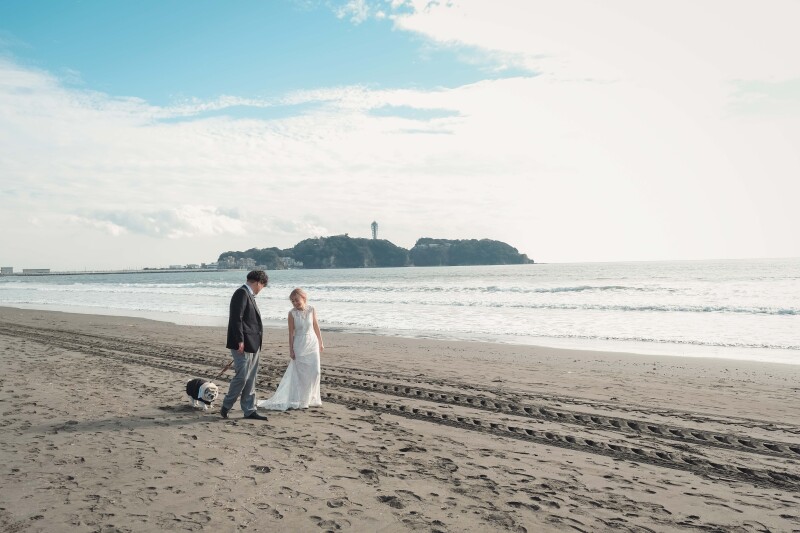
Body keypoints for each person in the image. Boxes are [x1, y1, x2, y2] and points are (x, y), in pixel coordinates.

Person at [258, 288, 324, 411]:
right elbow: (291, 333)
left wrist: (321, 342)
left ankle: (312, 398)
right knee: (300, 374)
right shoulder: (291, 313)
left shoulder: (311, 309)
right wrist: (291, 350)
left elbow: (316, 326)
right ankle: (302, 400)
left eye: (296, 300)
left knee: (315, 372)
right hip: (299, 344)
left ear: (303, 298)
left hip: (312, 343)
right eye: (292, 301)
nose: (295, 303)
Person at [220, 270, 269, 420]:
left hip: (253, 342)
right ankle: (226, 405)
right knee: (242, 376)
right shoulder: (241, 293)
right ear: (258, 283)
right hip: (243, 343)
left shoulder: (248, 295)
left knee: (251, 378)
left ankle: (249, 410)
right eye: (262, 286)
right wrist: (240, 340)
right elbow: (236, 318)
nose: (261, 289)